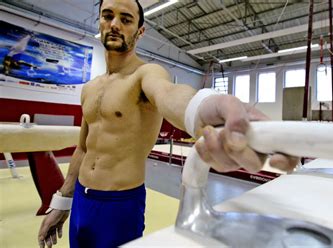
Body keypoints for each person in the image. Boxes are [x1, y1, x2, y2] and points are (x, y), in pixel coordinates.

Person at [37, 0, 298, 247]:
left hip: (119, 205)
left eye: (125, 19)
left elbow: (168, 94)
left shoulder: (145, 75)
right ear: (100, 22)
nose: (115, 24)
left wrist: (201, 109)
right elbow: (83, 148)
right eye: (108, 16)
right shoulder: (89, 89)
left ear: (139, 32)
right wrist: (62, 201)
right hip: (81, 199)